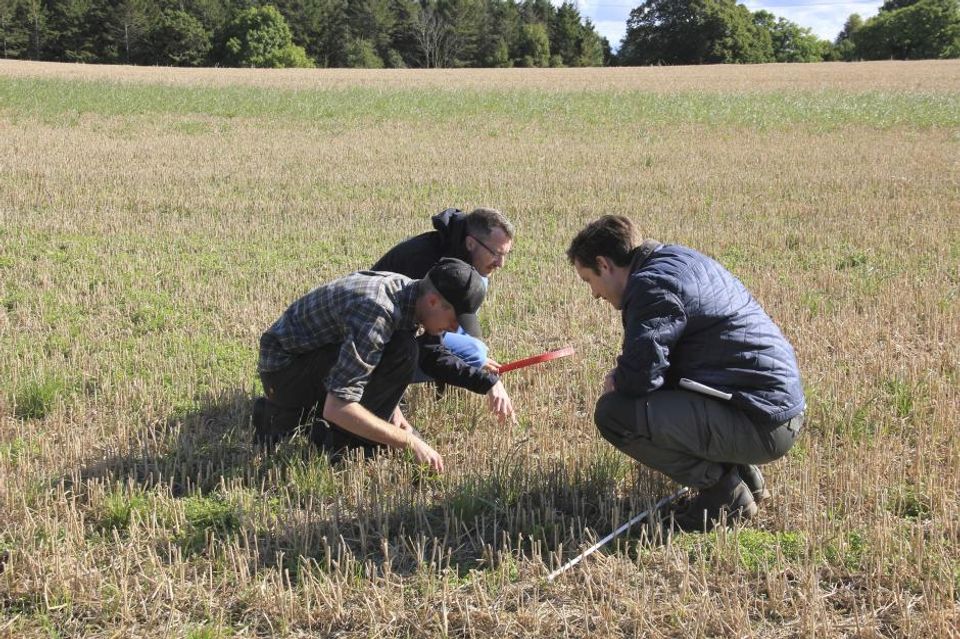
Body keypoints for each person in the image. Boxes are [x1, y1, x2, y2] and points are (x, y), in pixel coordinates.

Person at [567, 215, 805, 532]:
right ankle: (744, 477)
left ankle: (724, 494)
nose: (595, 294)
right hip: (772, 411)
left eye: (589, 281)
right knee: (662, 395)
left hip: (762, 421)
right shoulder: (676, 260)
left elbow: (641, 378)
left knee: (616, 414)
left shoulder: (653, 286)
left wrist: (619, 380)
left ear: (604, 264)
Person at [252, 258, 488, 474]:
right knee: (403, 352)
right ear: (434, 301)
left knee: (404, 349)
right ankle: (323, 438)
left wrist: (394, 411)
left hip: (315, 357)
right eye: (455, 321)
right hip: (284, 372)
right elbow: (337, 407)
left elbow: (383, 360)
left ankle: (351, 434)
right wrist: (406, 441)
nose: (455, 329)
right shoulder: (377, 311)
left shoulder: (410, 295)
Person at [372, 207, 515, 422]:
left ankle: (449, 377)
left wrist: (478, 363)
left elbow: (460, 317)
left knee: (475, 346)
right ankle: (393, 392)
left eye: (506, 255)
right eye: (496, 253)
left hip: (421, 320)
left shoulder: (466, 258)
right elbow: (402, 335)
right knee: (473, 352)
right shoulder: (426, 261)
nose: (501, 263)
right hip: (385, 332)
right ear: (470, 243)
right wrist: (475, 363)